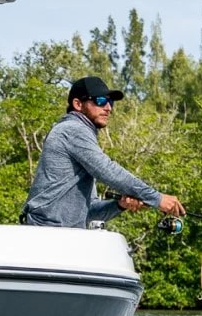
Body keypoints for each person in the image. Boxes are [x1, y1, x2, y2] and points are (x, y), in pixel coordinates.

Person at [21, 76, 186, 228]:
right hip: (45, 232)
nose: (108, 108)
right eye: (100, 101)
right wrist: (157, 198)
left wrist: (120, 205)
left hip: (64, 234)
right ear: (78, 104)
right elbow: (107, 170)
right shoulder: (72, 129)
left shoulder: (81, 136)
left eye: (110, 102)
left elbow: (90, 213)